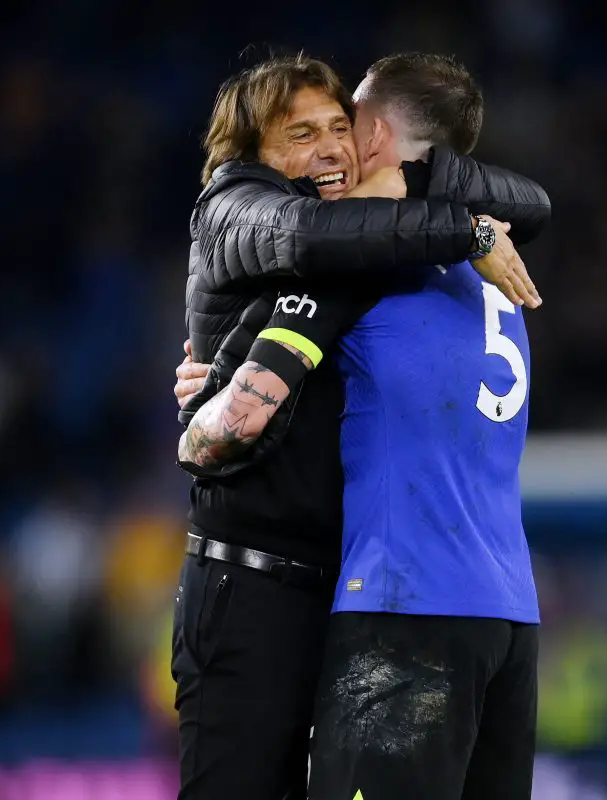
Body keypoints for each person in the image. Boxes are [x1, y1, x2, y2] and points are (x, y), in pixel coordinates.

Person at [175, 53, 548, 800]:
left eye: (340, 127)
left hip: (379, 595)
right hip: (267, 585)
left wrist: (213, 399)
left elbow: (530, 203)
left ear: (372, 135)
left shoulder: (384, 250)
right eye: (299, 133)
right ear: (254, 155)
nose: (329, 147)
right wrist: (470, 231)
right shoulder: (242, 208)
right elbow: (305, 239)